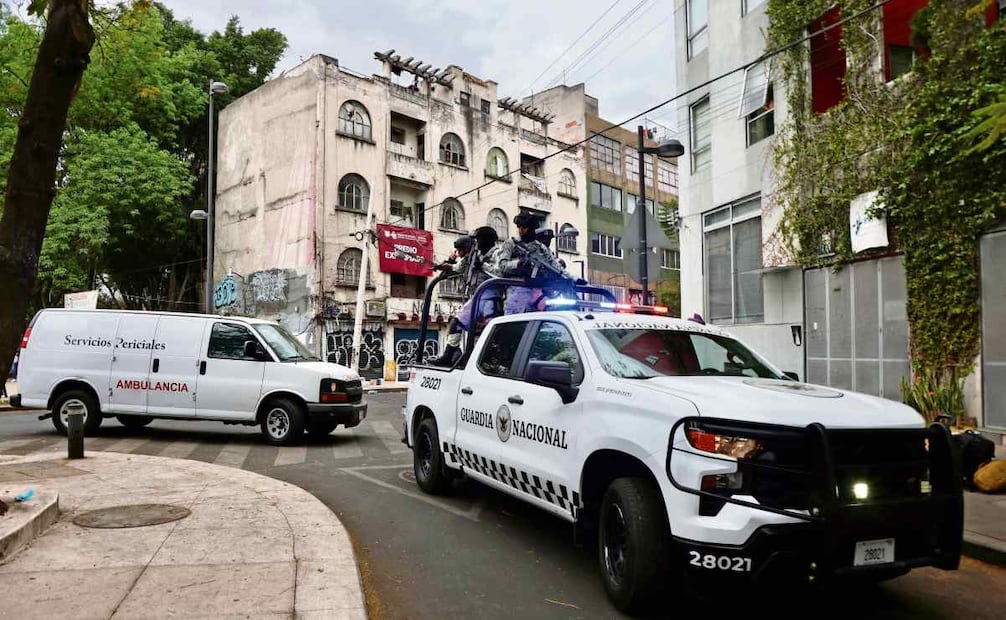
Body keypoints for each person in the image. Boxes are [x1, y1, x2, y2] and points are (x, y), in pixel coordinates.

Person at [430, 230, 500, 367]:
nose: (476, 243)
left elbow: (501, 272)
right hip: (476, 296)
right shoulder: (475, 255)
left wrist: (483, 266)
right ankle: (448, 355)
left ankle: (489, 360)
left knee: (490, 331)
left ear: (487, 240)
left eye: (478, 240)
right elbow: (459, 267)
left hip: (491, 297)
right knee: (456, 323)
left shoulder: (498, 254)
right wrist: (445, 265)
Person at [493, 214, 583, 314]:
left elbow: (556, 267)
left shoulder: (541, 249)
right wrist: (517, 264)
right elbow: (502, 265)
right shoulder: (511, 244)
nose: (521, 230)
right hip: (517, 290)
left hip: (537, 292)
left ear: (532, 228)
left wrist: (574, 278)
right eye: (519, 227)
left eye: (524, 227)